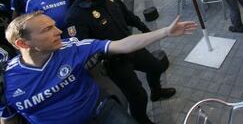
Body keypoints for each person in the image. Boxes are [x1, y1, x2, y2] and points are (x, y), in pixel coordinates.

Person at [0, 12, 197, 124]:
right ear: (23, 44)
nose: (59, 31)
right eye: (47, 29)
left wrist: (165, 32)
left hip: (102, 111)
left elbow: (122, 44)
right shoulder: (6, 81)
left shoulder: (72, 48)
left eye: (54, 25)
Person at [59, 0, 174, 124]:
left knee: (156, 67)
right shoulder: (74, 16)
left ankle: (156, 92)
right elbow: (82, 49)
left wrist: (144, 28)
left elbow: (127, 15)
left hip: (131, 46)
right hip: (114, 62)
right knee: (138, 97)